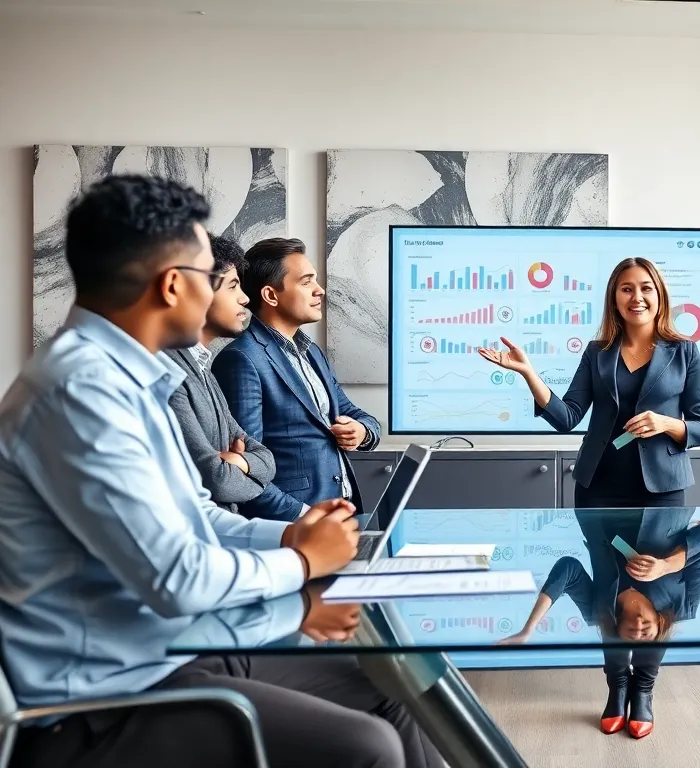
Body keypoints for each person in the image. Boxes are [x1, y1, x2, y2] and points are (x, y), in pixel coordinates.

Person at [0, 175, 438, 768]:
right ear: (173, 285)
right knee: (367, 747)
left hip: (165, 653)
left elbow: (198, 516)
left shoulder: (133, 380)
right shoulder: (83, 392)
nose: (223, 295)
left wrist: (291, 536)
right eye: (214, 278)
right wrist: (304, 567)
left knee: (391, 690)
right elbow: (179, 579)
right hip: (103, 700)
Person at [480, 257, 700, 508]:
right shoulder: (596, 352)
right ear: (614, 298)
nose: (637, 297)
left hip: (663, 489)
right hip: (598, 488)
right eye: (626, 289)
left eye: (646, 288)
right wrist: (528, 373)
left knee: (659, 550)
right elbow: (566, 418)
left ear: (660, 296)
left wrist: (665, 423)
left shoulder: (684, 351)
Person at [499, 509, 700, 740]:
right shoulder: (683, 605)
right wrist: (665, 565)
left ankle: (628, 686)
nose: (639, 631)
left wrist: (528, 629)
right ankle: (638, 686)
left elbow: (567, 568)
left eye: (632, 636)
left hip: (604, 503)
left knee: (604, 620)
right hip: (659, 502)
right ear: (658, 626)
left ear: (619, 628)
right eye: (646, 635)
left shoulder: (599, 608)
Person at [214, 238, 381, 521]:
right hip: (294, 525)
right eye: (306, 282)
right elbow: (246, 467)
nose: (320, 290)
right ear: (271, 295)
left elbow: (354, 413)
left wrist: (362, 432)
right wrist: (307, 517)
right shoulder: (242, 359)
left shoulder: (310, 352)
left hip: (341, 515)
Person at [165, 233, 276, 514]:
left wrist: (241, 461)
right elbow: (217, 480)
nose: (245, 299)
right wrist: (241, 468)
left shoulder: (203, 366)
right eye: (233, 286)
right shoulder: (166, 371)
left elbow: (266, 459)